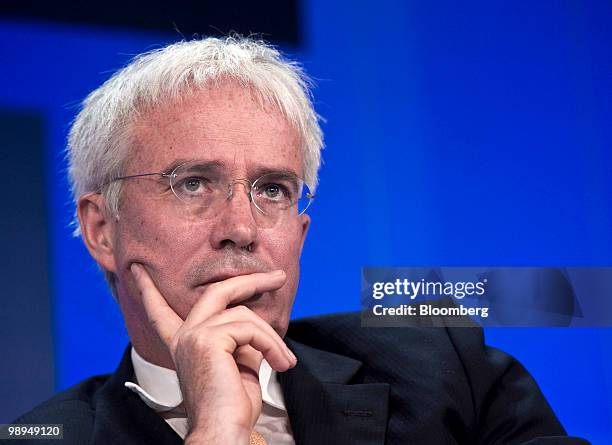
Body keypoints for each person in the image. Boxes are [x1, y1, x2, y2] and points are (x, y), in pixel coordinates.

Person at [5, 37, 588, 445]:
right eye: (191, 183)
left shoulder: (440, 363)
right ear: (102, 229)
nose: (241, 227)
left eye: (274, 189)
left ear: (300, 235)